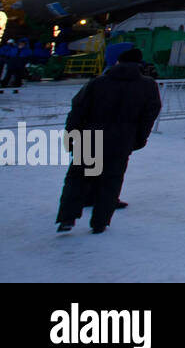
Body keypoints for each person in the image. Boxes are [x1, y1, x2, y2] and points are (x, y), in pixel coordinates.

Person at [55, 48, 161, 234]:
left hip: (89, 138)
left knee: (77, 178)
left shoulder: (98, 83)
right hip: (121, 140)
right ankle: (100, 222)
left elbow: (78, 110)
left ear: (117, 63)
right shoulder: (148, 86)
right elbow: (149, 115)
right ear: (140, 64)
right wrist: (139, 139)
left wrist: (71, 135)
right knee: (111, 180)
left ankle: (67, 218)